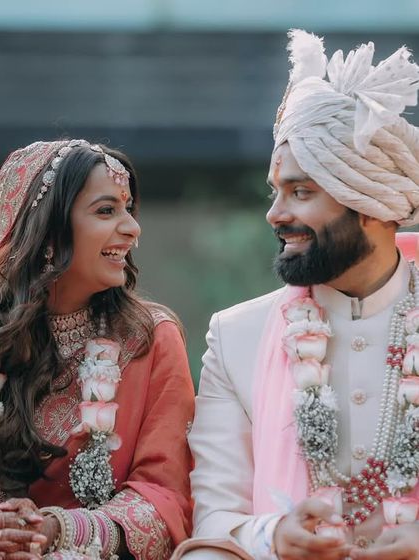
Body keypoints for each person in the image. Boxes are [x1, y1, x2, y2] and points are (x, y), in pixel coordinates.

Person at [173, 31, 419, 560]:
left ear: (372, 205)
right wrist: (272, 538)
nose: (275, 213)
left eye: (301, 192)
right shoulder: (236, 336)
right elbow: (215, 519)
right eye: (276, 191)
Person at [0, 139, 195, 559]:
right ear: (49, 231)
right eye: (106, 211)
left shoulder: (150, 339)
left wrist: (55, 530)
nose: (132, 228)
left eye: (129, 210)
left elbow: (165, 499)